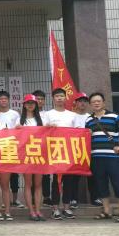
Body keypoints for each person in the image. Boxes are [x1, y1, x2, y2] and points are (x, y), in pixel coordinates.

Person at [86, 92, 119, 223]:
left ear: (103, 102)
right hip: (96, 157)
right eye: (93, 102)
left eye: (98, 101)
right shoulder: (89, 120)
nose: (96, 103)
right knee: (101, 185)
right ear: (90, 104)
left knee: (118, 183)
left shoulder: (114, 116)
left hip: (112, 157)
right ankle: (106, 211)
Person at [46, 88, 81, 220]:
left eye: (61, 96)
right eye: (57, 96)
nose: (59, 98)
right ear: (53, 98)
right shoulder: (48, 114)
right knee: (56, 180)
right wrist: (49, 126)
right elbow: (42, 131)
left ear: (65, 98)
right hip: (54, 151)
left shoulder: (72, 115)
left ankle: (66, 207)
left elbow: (78, 131)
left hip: (69, 151)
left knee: (69, 180)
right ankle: (55, 208)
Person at [16, 94, 46, 221]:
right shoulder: (19, 120)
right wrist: (16, 129)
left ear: (36, 105)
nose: (30, 105)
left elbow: (47, 134)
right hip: (26, 155)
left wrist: (51, 127)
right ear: (24, 105)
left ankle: (38, 210)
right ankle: (31, 211)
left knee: (38, 184)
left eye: (32, 103)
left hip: (39, 154)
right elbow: (13, 136)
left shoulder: (42, 119)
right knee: (28, 184)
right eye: (27, 103)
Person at [0, 90, 24, 209]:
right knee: (2, 176)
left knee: (14, 175)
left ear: (8, 100)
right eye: (1, 99)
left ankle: (15, 199)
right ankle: (4, 200)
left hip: (12, 147)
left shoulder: (15, 114)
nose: (3, 101)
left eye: (5, 99)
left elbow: (19, 129)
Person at [73, 92, 102, 207]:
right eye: (80, 101)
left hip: (90, 151)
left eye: (85, 101)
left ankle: (95, 198)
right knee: (74, 176)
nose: (82, 103)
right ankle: (73, 198)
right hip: (75, 151)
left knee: (92, 175)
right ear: (75, 103)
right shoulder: (70, 116)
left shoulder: (91, 118)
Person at [33, 89, 52, 206]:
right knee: (31, 173)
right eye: (37, 99)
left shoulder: (48, 114)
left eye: (41, 99)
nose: (39, 101)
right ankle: (32, 197)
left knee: (45, 174)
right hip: (32, 148)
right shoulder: (27, 115)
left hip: (45, 147)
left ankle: (46, 196)